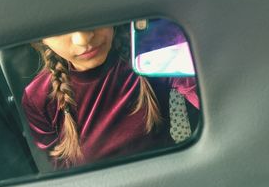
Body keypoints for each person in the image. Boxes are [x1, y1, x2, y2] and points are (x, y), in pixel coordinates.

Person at [21, 24, 199, 169]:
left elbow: (209, 98)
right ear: (41, 40)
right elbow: (64, 173)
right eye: (57, 30)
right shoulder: (37, 97)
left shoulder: (147, 56)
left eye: (91, 16)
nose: (83, 39)